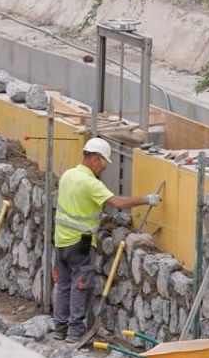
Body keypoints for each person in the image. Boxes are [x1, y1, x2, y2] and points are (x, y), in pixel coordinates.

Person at [52, 137, 159, 343]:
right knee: (80, 285)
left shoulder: (68, 175)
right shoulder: (90, 183)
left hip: (61, 240)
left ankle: (59, 328)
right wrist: (146, 199)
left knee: (64, 285)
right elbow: (118, 202)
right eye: (104, 163)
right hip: (80, 243)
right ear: (94, 159)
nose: (104, 168)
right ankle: (75, 332)